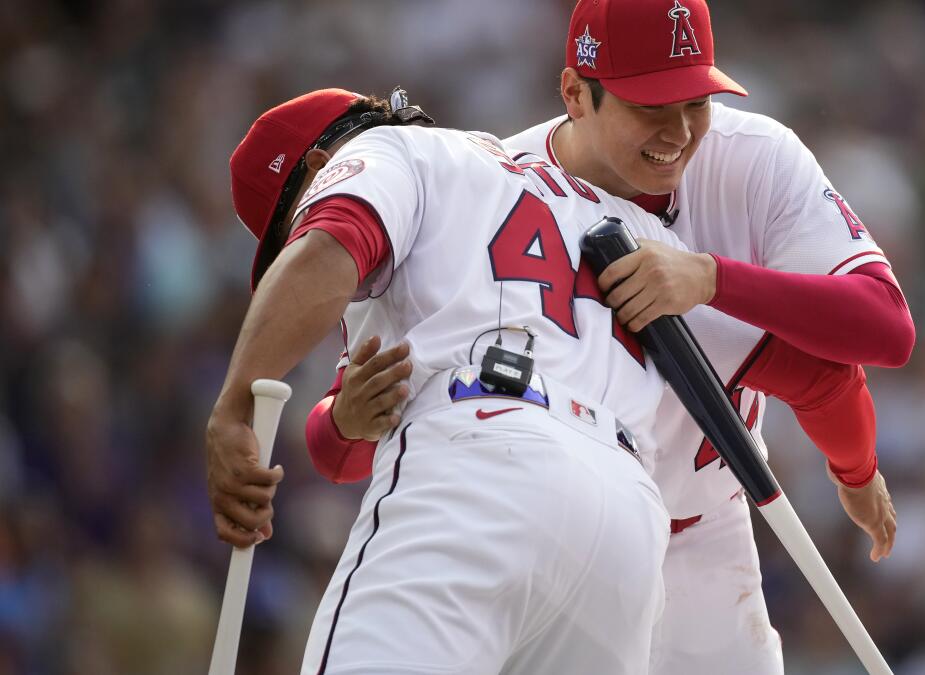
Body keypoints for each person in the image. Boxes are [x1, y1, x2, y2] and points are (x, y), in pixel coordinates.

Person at [308, 1, 914, 672]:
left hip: (706, 528)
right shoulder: (496, 180)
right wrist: (345, 420)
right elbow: (344, 447)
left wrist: (712, 279)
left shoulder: (752, 156)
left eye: (695, 101)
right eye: (651, 105)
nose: (680, 131)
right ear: (575, 92)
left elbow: (884, 328)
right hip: (564, 508)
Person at [205, 87, 710, 674]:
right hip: (626, 522)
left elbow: (330, 242)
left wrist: (233, 408)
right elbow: (336, 450)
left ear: (322, 168)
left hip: (481, 465)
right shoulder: (631, 221)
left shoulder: (392, 153)